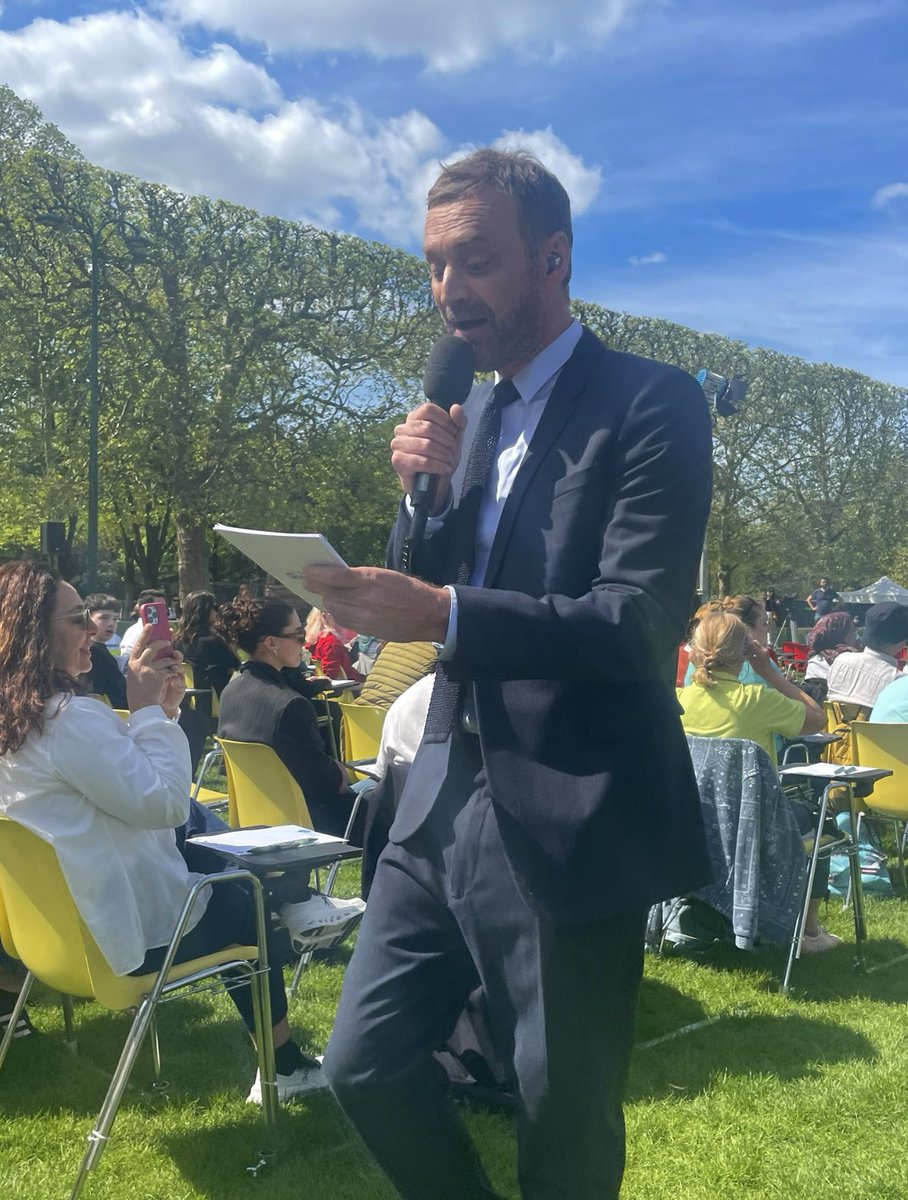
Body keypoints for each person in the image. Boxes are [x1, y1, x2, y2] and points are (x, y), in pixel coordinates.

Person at [305, 148, 713, 1200]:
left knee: (558, 1107)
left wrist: (439, 611)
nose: (448, 291)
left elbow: (633, 623)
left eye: (475, 261)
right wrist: (417, 506)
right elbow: (435, 580)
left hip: (569, 801)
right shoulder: (470, 416)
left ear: (552, 258)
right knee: (361, 1060)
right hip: (435, 792)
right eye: (435, 265)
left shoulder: (651, 403)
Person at [0, 562, 322, 1103]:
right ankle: (285, 1067)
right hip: (117, 945)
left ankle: (297, 900)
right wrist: (149, 709)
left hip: (46, 940)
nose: (93, 630)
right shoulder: (67, 719)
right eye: (77, 618)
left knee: (208, 860)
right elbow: (168, 804)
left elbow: (126, 788)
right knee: (243, 901)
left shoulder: (21, 719)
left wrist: (160, 713)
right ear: (35, 630)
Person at [677, 611, 837, 950]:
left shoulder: (680, 701)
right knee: (820, 817)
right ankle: (809, 934)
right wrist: (770, 672)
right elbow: (817, 720)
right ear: (744, 653)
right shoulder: (756, 699)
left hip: (695, 820)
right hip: (751, 822)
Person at [216, 596, 366, 943]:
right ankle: (385, 916)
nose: (307, 642)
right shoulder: (290, 706)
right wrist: (342, 771)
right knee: (386, 806)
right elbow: (328, 784)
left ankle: (302, 904)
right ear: (271, 643)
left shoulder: (233, 690)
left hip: (257, 820)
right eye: (299, 636)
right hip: (307, 822)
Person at [826, 602, 908, 714]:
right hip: (873, 731)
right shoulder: (898, 681)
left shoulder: (841, 660)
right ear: (901, 642)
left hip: (831, 729)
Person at [174, 590, 240, 706]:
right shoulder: (212, 641)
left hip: (192, 701)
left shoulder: (177, 642)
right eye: (214, 607)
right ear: (205, 611)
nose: (217, 611)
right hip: (217, 700)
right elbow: (237, 667)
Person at [304, 608, 365, 684]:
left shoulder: (316, 639)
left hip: (342, 682)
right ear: (326, 617)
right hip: (348, 684)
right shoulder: (331, 642)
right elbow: (331, 673)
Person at [118, 588, 168, 673]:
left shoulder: (163, 630)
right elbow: (126, 664)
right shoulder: (136, 632)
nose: (164, 610)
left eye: (164, 607)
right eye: (158, 607)